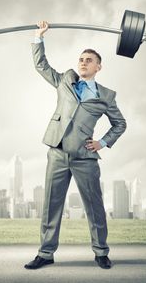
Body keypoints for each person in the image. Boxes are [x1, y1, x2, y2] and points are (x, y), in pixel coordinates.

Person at [24, 21, 127, 270]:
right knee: (50, 205)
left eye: (89, 60)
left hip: (85, 157)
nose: (83, 62)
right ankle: (45, 254)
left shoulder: (107, 96)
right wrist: (39, 37)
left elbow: (120, 124)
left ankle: (101, 252)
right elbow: (41, 65)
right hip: (57, 153)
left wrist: (102, 143)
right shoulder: (65, 81)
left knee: (94, 206)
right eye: (81, 58)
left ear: (98, 67)